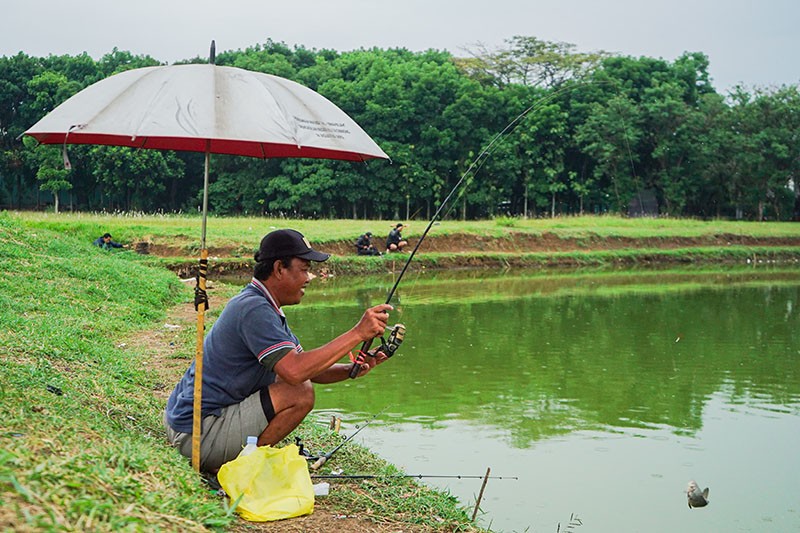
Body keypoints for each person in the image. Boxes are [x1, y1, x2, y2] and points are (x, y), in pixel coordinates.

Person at [164, 228, 392, 473]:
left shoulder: (263, 306)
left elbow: (309, 369)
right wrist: (358, 333)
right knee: (300, 393)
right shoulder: (254, 309)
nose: (309, 278)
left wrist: (352, 370)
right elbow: (296, 373)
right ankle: (246, 468)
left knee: (290, 379)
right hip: (197, 436)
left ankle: (247, 459)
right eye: (304, 269)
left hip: (187, 424)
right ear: (279, 268)